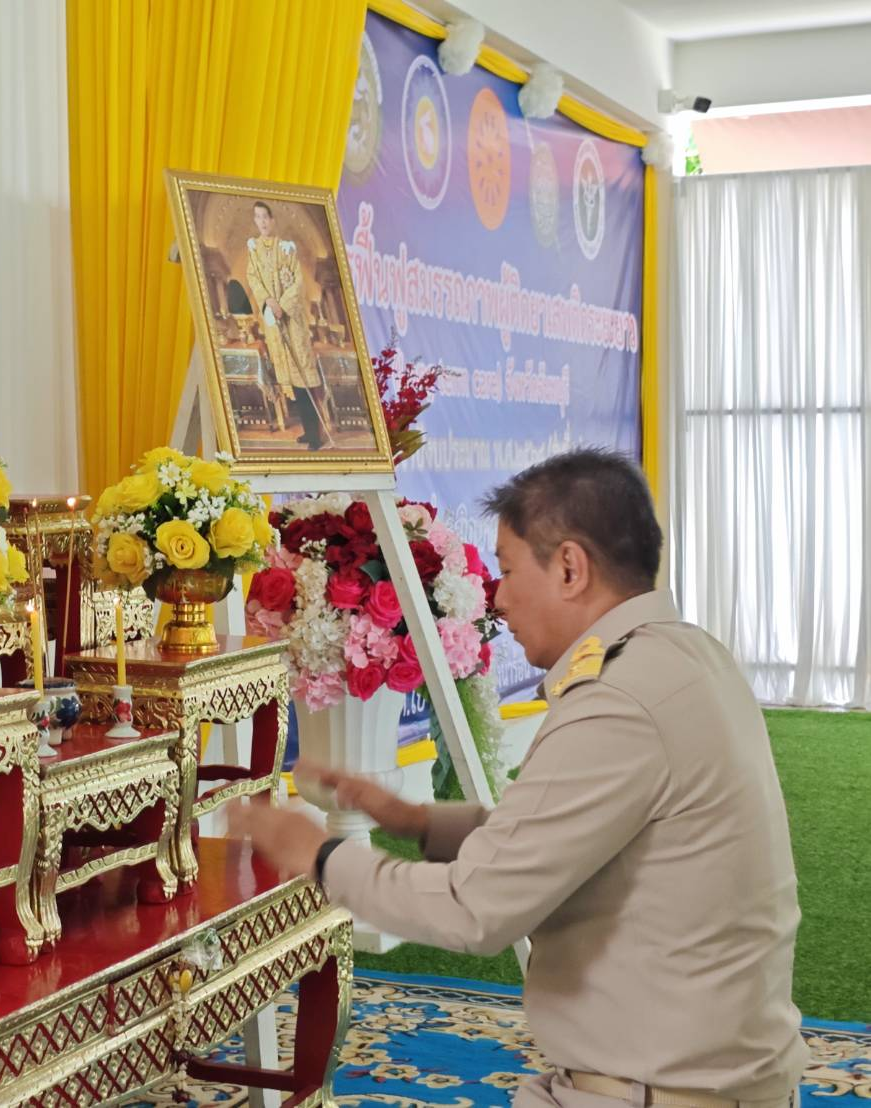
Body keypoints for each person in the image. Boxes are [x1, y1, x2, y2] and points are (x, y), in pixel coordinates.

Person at [230, 449, 807, 1108]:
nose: (498, 599)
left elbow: (472, 909)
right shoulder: (685, 655)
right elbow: (568, 834)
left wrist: (317, 853)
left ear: (569, 568)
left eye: (506, 570)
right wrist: (415, 820)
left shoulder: (618, 701)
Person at [244, 200, 328, 449]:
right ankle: (308, 431)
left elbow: (298, 283)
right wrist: (269, 301)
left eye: (265, 217)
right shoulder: (253, 251)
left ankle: (315, 435)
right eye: (257, 217)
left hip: (292, 322)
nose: (262, 222)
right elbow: (254, 279)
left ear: (272, 220)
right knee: (291, 382)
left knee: (303, 378)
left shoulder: (286, 248)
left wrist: (283, 305)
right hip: (274, 320)